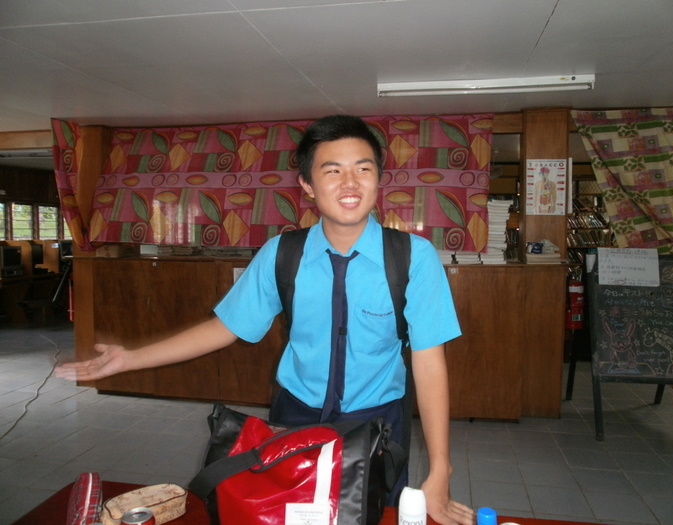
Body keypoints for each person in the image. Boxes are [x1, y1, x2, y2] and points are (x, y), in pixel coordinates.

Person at [56, 115, 475, 525]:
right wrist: (131, 358)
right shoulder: (282, 254)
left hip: (378, 421)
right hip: (295, 417)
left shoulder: (412, 257)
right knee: (289, 514)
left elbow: (428, 362)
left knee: (370, 514)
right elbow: (224, 327)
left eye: (363, 169)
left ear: (378, 179)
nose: (350, 183)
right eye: (333, 170)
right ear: (307, 185)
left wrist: (441, 470)